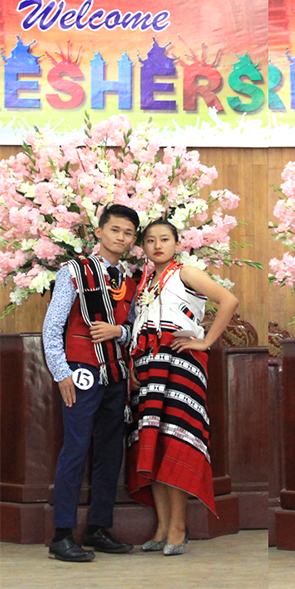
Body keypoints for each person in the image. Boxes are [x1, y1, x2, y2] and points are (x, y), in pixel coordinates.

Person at [126, 220, 238, 556]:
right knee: (153, 443)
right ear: (143, 247)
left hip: (179, 363)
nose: (157, 245)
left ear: (177, 243)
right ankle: (162, 526)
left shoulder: (186, 272)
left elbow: (229, 300)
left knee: (175, 442)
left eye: (164, 239)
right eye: (150, 240)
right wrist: (132, 363)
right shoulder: (144, 280)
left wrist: (205, 341)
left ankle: (178, 527)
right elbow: (138, 326)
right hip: (148, 364)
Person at [42, 203, 140, 562]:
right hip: (80, 372)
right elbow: (53, 326)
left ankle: (98, 527)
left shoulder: (129, 281)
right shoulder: (73, 271)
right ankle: (62, 535)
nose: (121, 238)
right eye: (115, 230)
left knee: (111, 451)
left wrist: (119, 332)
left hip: (116, 375)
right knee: (76, 448)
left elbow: (134, 331)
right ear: (99, 232)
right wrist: (61, 372)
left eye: (128, 233)